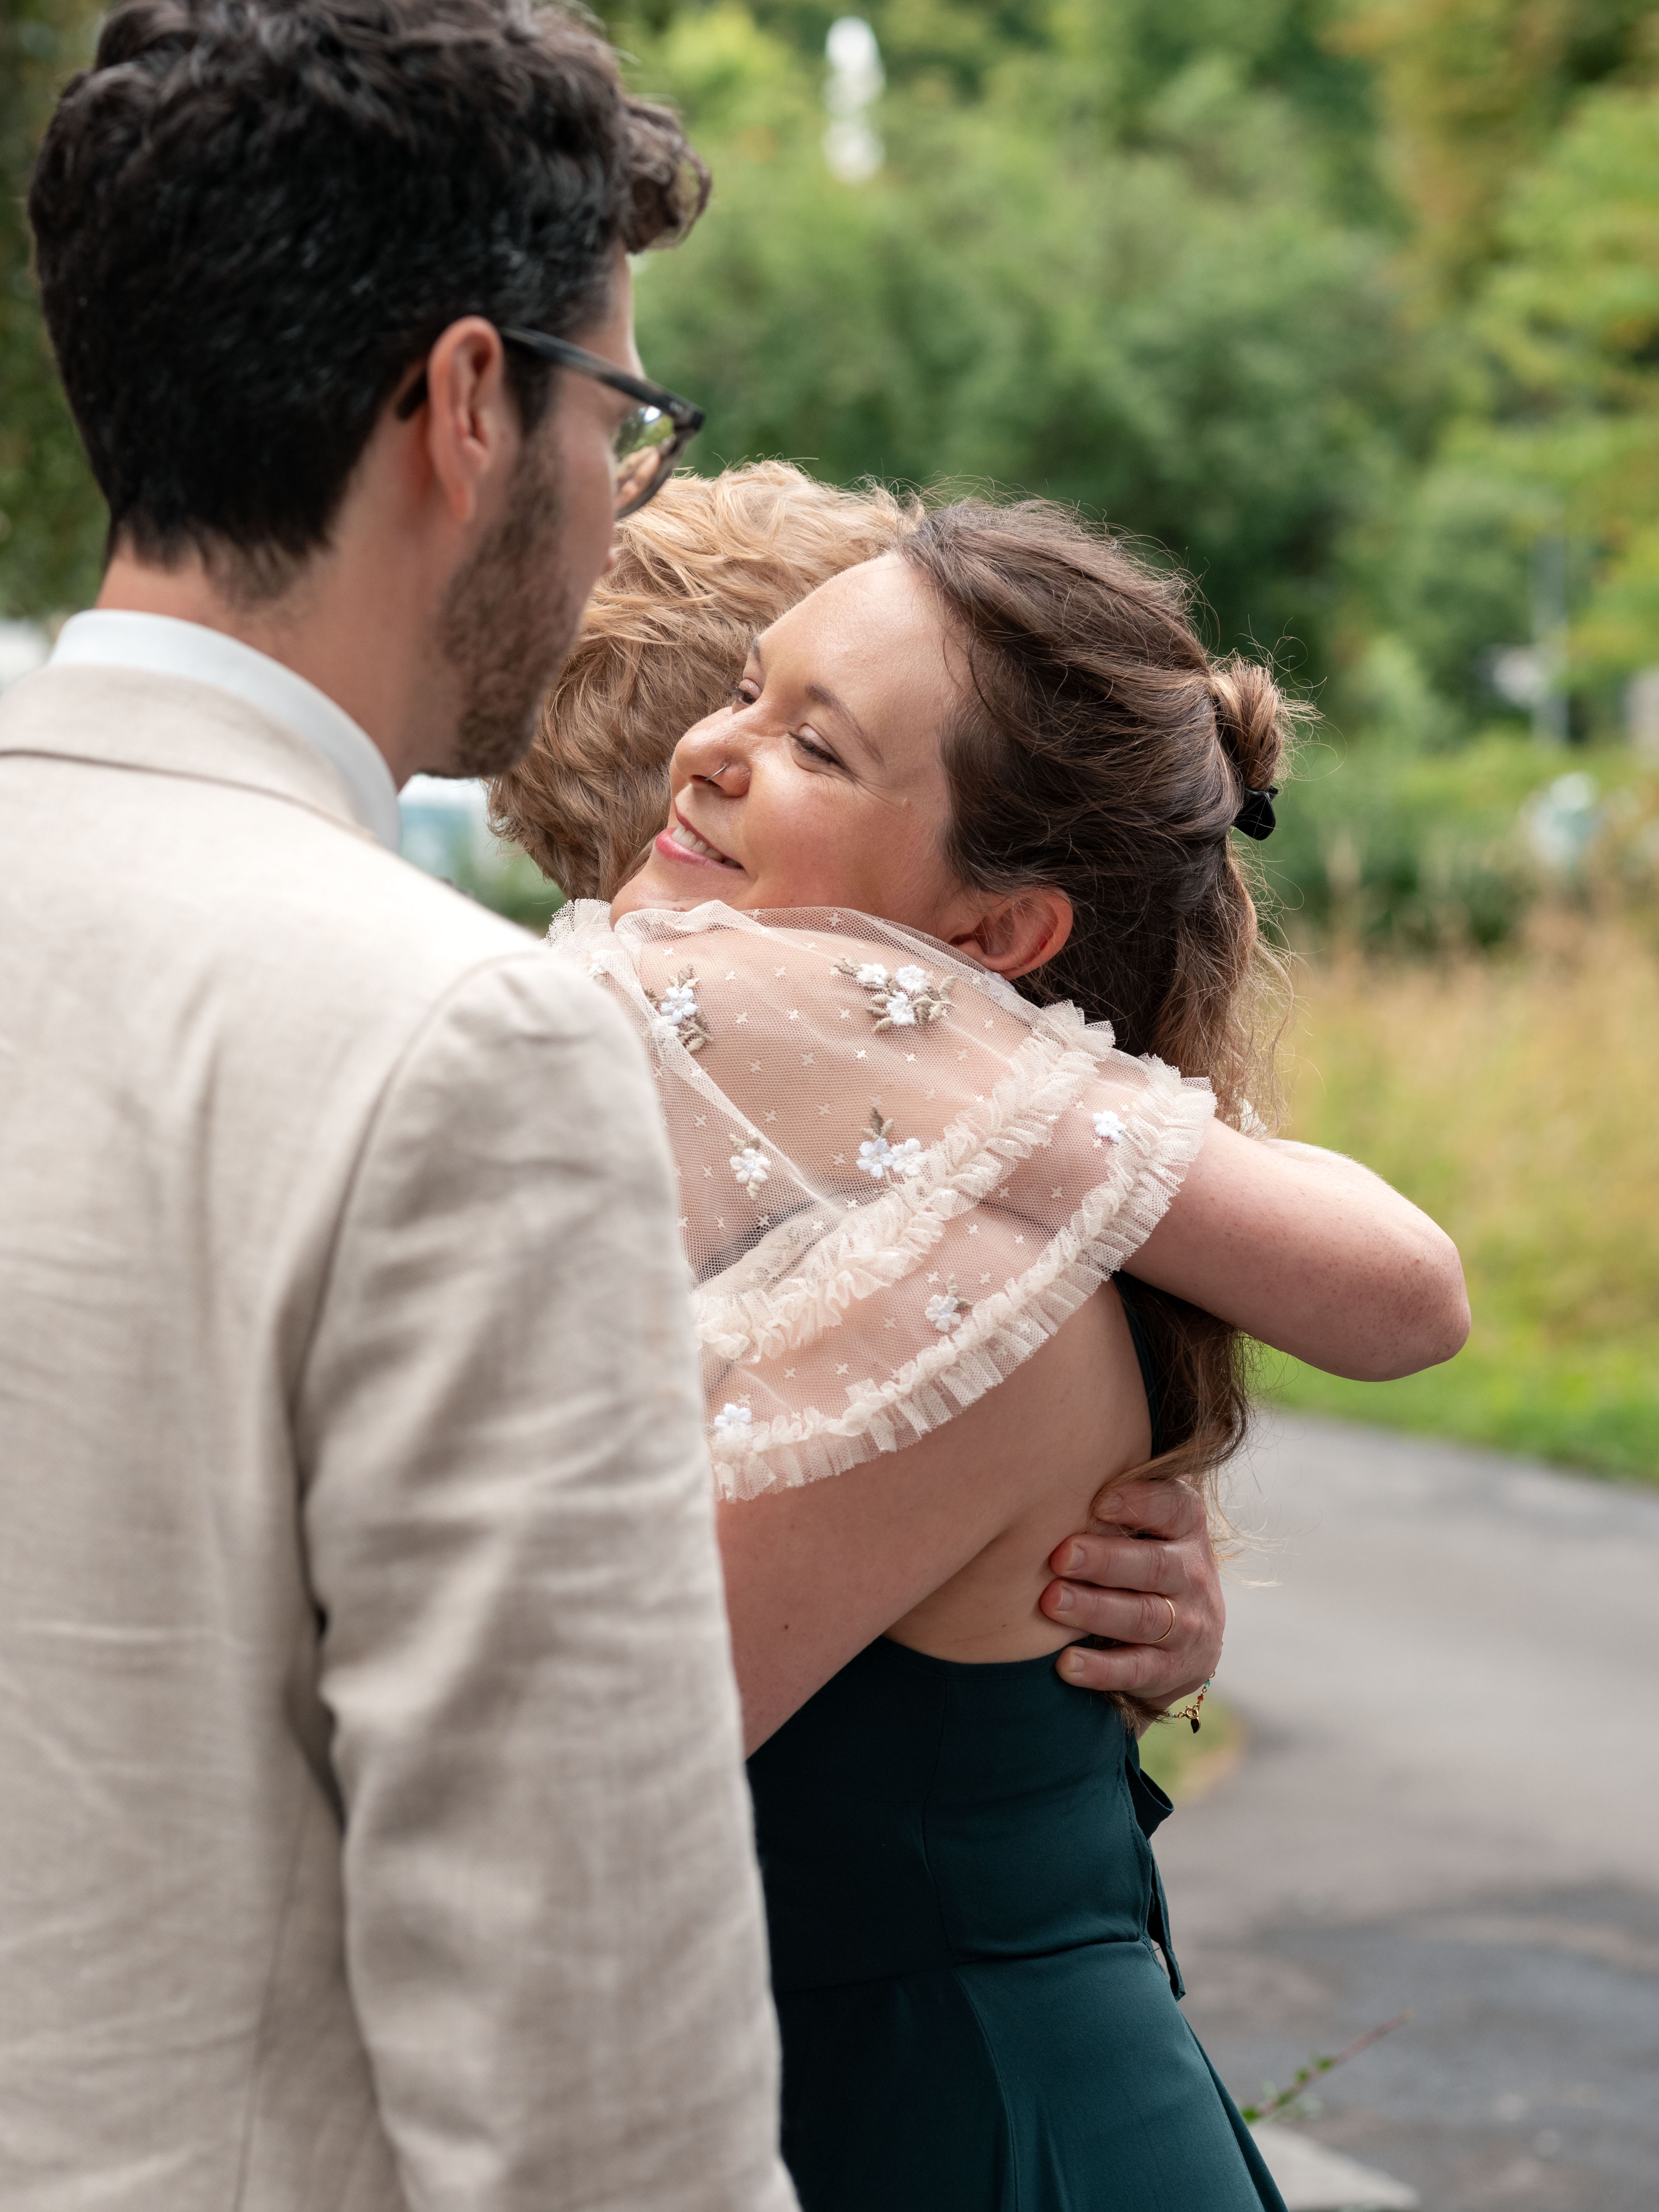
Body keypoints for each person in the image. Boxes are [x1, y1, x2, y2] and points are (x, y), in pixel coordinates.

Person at [0, 7, 797, 2211]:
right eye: (615, 413)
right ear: (469, 401)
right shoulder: (453, 1041)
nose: (611, 494)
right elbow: (593, 2082)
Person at [507, 484, 1469, 2209]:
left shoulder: (958, 1267)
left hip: (959, 2129)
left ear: (990, 942)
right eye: (740, 693)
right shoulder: (679, 1122)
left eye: (816, 742)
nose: (717, 762)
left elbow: (553, 1772)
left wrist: (957, 1084)